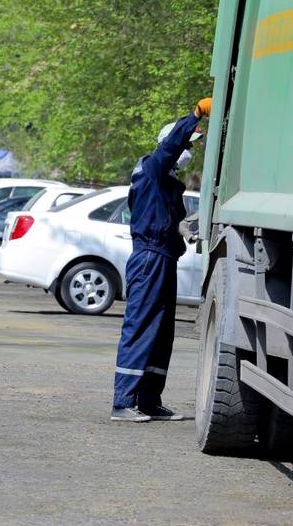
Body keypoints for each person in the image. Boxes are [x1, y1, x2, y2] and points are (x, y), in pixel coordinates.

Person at [110, 97, 212, 422]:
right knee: (140, 327)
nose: (189, 152)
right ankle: (122, 402)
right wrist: (194, 117)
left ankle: (149, 401)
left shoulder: (168, 183)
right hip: (148, 260)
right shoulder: (152, 168)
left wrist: (185, 232)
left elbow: (171, 222)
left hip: (165, 259)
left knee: (161, 331)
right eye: (188, 145)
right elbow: (170, 146)